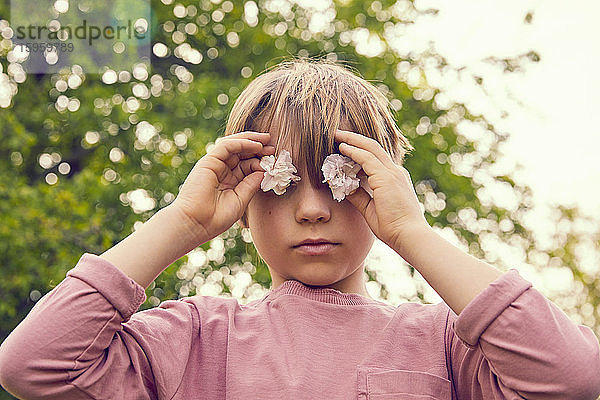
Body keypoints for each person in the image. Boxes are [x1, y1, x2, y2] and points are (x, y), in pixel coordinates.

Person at [1, 58, 599, 400]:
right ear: (242, 198)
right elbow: (31, 366)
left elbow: (576, 380)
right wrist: (182, 222)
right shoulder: (193, 341)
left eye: (340, 180)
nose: (311, 209)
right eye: (280, 183)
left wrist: (413, 233)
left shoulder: (445, 345)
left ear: (380, 188)